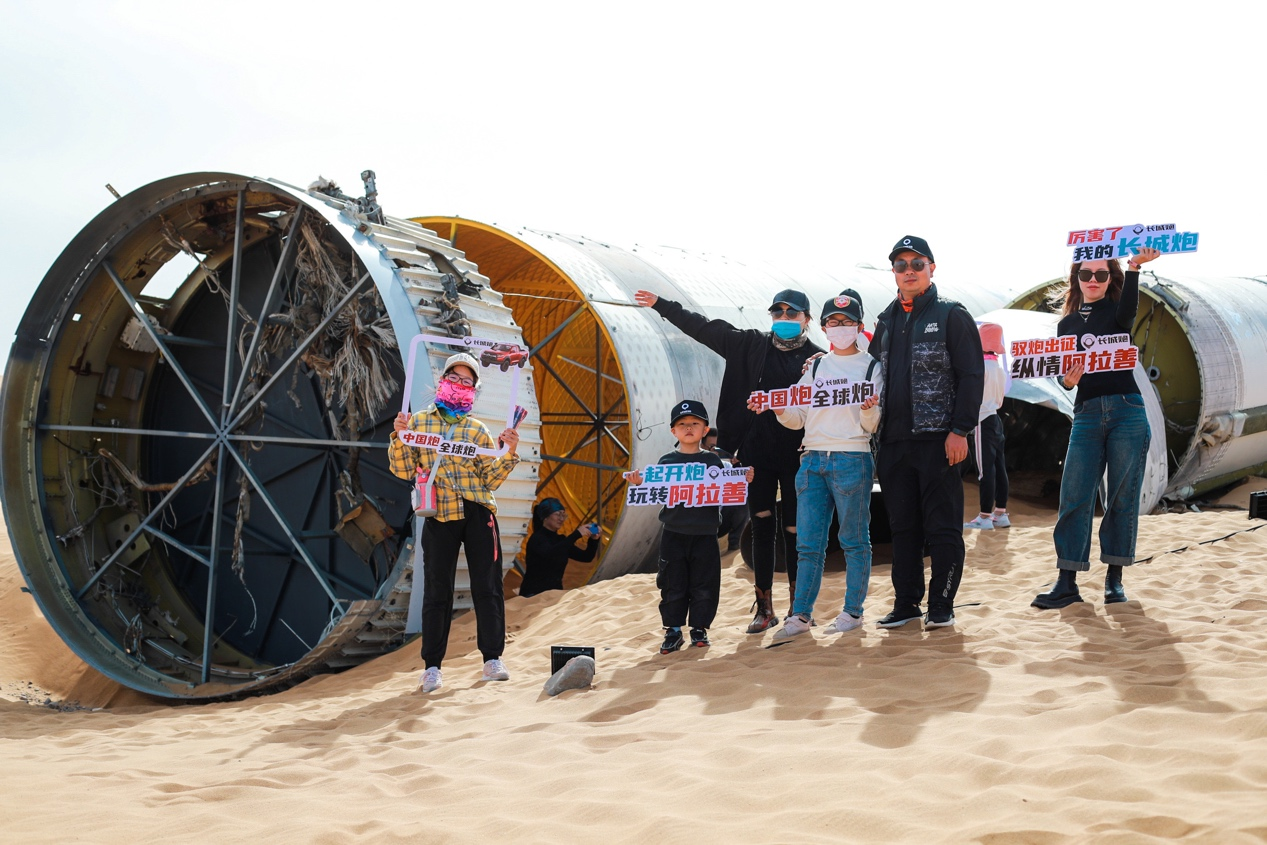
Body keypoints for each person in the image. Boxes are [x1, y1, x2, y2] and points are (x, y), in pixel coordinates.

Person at [634, 287, 823, 633]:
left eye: (792, 313)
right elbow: (702, 327)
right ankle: (764, 607)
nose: (784, 319)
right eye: (778, 313)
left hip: (798, 456)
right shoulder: (749, 345)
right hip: (753, 459)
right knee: (762, 526)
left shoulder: (817, 359)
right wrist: (662, 305)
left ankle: (799, 608)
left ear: (806, 319)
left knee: (796, 530)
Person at [1032, 247, 1161, 609]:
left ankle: (1114, 580)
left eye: (1101, 274)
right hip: (1087, 413)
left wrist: (1134, 267)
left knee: (1121, 496)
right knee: (1074, 495)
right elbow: (1064, 376)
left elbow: (1129, 310)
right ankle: (1066, 582)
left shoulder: (1118, 312)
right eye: (1085, 274)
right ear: (1076, 279)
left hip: (1127, 411)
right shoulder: (1066, 325)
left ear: (1110, 279)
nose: (1092, 280)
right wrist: (1068, 381)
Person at [389, 353, 521, 693]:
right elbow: (402, 470)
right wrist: (399, 436)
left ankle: (492, 659)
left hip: (478, 511)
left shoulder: (477, 429)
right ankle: (432, 667)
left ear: (474, 389)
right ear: (442, 380)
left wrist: (508, 452)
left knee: (487, 587)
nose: (459, 385)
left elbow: (489, 479)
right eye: (454, 378)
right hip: (438, 513)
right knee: (437, 591)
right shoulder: (418, 422)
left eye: (467, 382)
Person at [870, 236, 984, 630]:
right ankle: (906, 604)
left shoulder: (951, 314)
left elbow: (972, 375)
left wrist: (960, 430)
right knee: (903, 529)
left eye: (917, 264)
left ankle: (941, 605)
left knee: (942, 527)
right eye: (901, 265)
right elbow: (869, 375)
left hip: (939, 441)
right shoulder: (886, 321)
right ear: (894, 272)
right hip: (893, 442)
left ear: (931, 268)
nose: (909, 271)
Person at [759, 291, 882, 641]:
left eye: (847, 322)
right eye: (833, 322)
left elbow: (872, 424)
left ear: (859, 326)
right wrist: (779, 408)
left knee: (854, 540)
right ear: (824, 327)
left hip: (852, 458)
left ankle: (853, 611)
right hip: (812, 459)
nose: (840, 327)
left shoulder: (871, 367)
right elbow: (797, 418)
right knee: (808, 543)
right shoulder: (815, 366)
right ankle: (800, 614)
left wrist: (869, 408)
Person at [627, 400, 754, 654]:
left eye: (695, 423)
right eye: (682, 424)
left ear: (705, 430)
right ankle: (673, 631)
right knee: (672, 583)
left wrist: (743, 479)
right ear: (673, 431)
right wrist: (639, 483)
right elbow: (654, 490)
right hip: (673, 533)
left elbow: (726, 489)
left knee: (704, 583)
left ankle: (699, 629)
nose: (688, 428)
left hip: (705, 534)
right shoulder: (666, 462)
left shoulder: (712, 462)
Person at [964, 322, 1012, 530]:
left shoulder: (979, 368)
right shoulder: (999, 369)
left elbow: (971, 397)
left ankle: (984, 516)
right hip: (995, 418)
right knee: (999, 467)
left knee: (985, 470)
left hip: (982, 420)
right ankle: (1000, 513)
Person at [519, 498, 600, 598]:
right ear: (545, 517)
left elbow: (586, 557)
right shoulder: (537, 539)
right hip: (533, 595)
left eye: (563, 515)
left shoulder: (561, 540)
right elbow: (551, 553)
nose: (561, 519)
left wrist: (593, 540)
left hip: (554, 594)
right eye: (557, 514)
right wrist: (576, 534)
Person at [704, 427, 748, 551]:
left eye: (719, 448)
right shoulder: (692, 470)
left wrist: (739, 465)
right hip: (696, 525)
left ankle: (736, 545)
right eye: (712, 447)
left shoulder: (727, 467)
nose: (716, 452)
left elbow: (743, 484)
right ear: (702, 446)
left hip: (720, 522)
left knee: (743, 497)